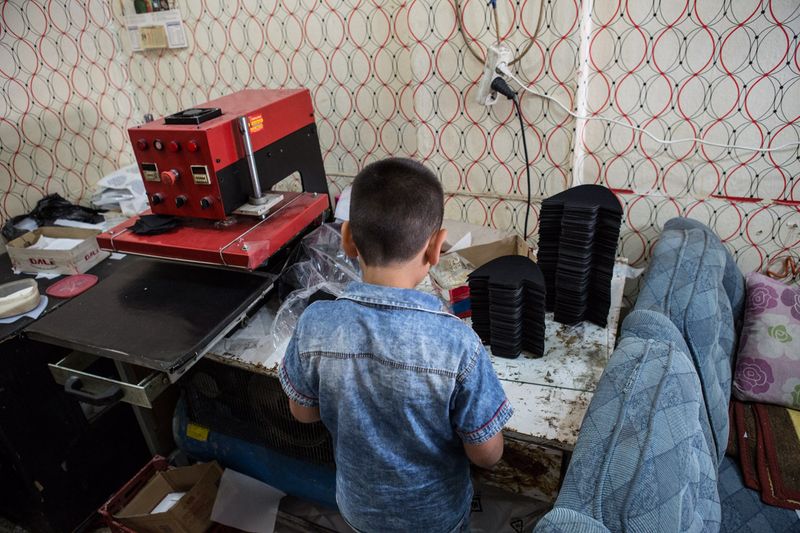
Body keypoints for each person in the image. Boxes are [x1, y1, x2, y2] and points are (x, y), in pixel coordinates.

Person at [279, 158, 513, 533]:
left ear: (348, 238)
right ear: (436, 247)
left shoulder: (315, 323)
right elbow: (487, 455)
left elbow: (303, 414)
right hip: (435, 519)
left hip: (359, 513)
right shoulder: (457, 344)